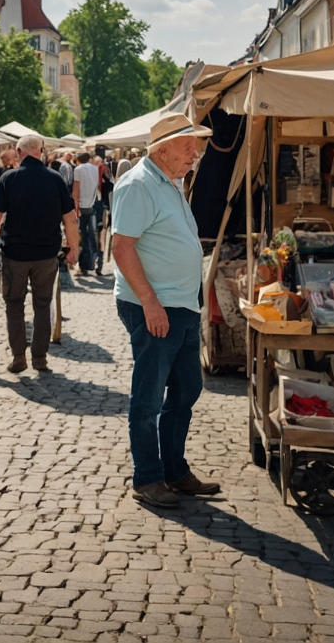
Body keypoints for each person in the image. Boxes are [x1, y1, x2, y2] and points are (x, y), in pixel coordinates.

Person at [112, 113, 219, 510]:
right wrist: (151, 303)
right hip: (154, 306)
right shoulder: (138, 184)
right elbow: (121, 248)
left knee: (187, 389)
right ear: (163, 149)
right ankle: (148, 477)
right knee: (149, 396)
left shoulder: (170, 182)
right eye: (188, 145)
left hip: (181, 304)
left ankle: (175, 470)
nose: (196, 153)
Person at [0, 135, 79, 374]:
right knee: (42, 305)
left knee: (14, 305)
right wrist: (73, 248)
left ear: (19, 152)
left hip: (15, 254)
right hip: (46, 254)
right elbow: (70, 218)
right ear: (41, 152)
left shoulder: (9, 178)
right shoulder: (55, 179)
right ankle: (40, 358)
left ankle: (19, 356)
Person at [71, 151, 100, 275]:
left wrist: (75, 207)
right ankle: (90, 263)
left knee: (81, 236)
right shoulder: (95, 168)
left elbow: (76, 189)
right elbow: (97, 186)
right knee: (90, 235)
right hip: (91, 204)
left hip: (81, 206)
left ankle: (82, 265)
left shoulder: (78, 169)